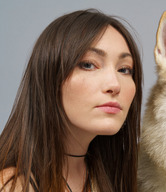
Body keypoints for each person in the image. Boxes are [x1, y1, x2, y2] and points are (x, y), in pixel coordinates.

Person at [0, 9, 142, 192]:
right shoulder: (11, 186)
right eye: (89, 65)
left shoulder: (115, 177)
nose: (115, 85)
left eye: (124, 69)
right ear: (49, 77)